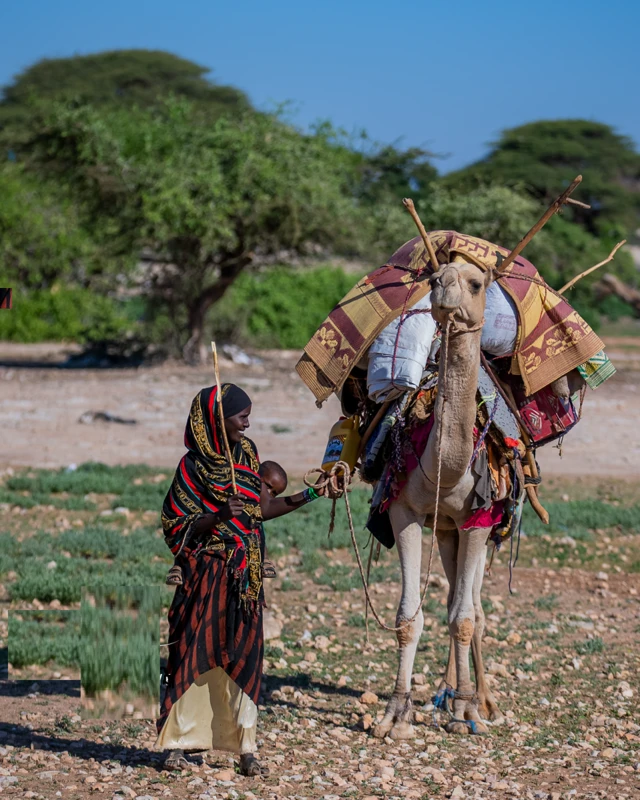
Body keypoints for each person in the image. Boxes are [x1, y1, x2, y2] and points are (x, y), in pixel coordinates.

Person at [155, 383, 323, 776]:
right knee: (192, 653)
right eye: (241, 415)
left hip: (245, 578)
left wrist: (311, 496)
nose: (248, 422)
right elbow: (174, 523)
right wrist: (217, 516)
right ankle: (178, 745)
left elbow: (262, 509)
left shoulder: (247, 455)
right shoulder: (192, 467)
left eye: (248, 414)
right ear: (216, 420)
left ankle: (246, 748)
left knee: (245, 658)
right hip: (207, 573)